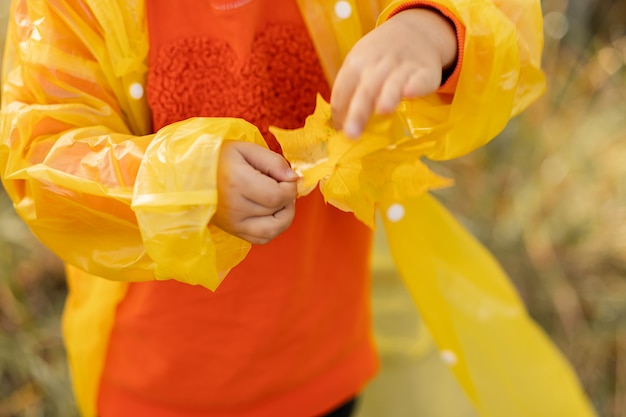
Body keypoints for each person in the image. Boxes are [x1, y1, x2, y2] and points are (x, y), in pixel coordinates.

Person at [0, 1, 546, 416]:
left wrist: (427, 27)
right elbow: (42, 148)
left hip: (322, 366)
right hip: (156, 383)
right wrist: (188, 178)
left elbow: (503, 20)